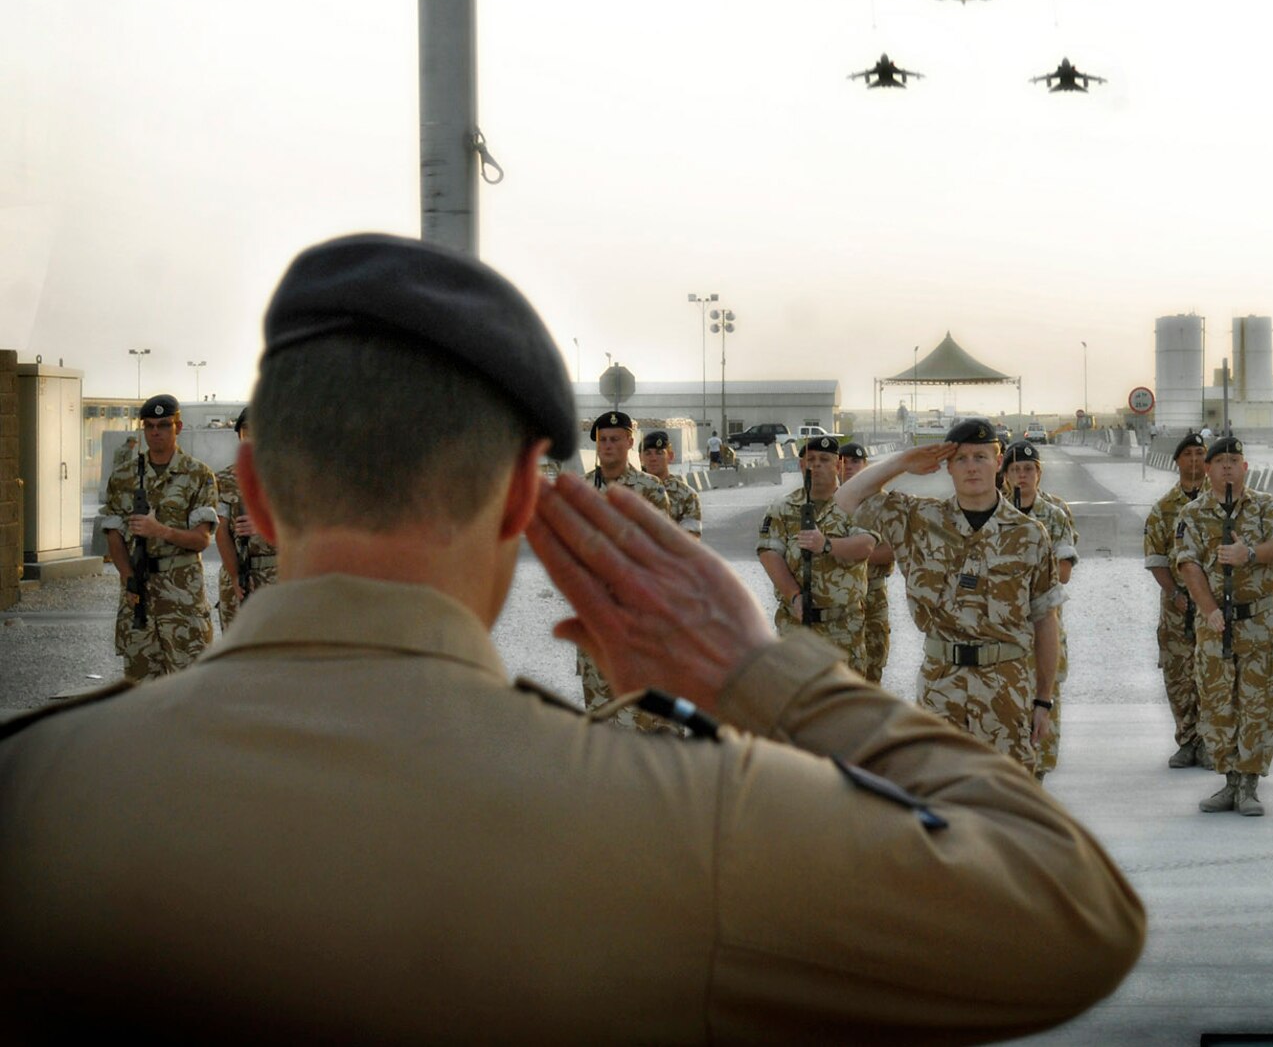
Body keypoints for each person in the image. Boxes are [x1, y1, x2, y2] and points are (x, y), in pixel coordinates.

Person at [0, 233, 1145, 1042]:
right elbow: (1068, 912)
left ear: (251, 494)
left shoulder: (36, 791)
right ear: (518, 500)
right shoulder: (681, 816)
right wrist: (765, 676)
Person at [834, 418, 1064, 775]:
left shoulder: (1030, 535)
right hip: (942, 684)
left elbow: (1045, 619)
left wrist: (1044, 700)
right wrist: (903, 462)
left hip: (1006, 684)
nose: (971, 467)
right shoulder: (920, 520)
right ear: (948, 467)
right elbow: (846, 496)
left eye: (981, 457)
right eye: (961, 459)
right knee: (940, 798)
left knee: (1009, 801)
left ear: (998, 461)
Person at [1175, 436, 1273, 816]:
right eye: (1219, 460)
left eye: (1234, 460)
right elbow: (1188, 564)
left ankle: (1249, 784)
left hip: (1258, 622)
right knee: (1217, 703)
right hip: (1216, 625)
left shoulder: (1266, 506)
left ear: (1245, 468)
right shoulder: (1192, 514)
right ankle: (1228, 781)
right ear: (1206, 469)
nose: (1227, 466)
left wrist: (1250, 554)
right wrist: (1208, 609)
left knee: (1259, 703)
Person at [98, 393, 218, 680]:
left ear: (178, 427)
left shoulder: (198, 475)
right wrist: (129, 580)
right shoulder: (124, 477)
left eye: (163, 425)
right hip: (138, 593)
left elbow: (202, 540)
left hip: (182, 596)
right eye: (149, 426)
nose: (155, 432)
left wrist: (160, 531)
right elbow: (114, 536)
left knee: (187, 683)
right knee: (140, 686)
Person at [758, 436, 877, 676]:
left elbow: (866, 545)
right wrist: (794, 596)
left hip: (844, 627)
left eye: (825, 459)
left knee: (844, 704)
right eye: (810, 460)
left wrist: (826, 545)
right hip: (797, 626)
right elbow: (769, 553)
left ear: (838, 465)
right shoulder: (783, 507)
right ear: (801, 466)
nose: (817, 465)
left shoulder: (855, 505)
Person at [578, 410, 672, 716]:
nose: (608, 446)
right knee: (600, 715)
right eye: (603, 440)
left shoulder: (651, 490)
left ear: (630, 442)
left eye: (615, 439)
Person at [1003, 441, 1079, 779]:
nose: (1022, 475)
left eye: (1029, 469)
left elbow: (1062, 573)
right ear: (1004, 475)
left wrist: (1019, 568)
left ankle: (1038, 779)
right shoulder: (991, 511)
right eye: (1015, 469)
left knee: (1044, 698)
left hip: (1042, 625)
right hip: (1002, 627)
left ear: (1039, 473)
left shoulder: (1054, 515)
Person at [1143, 432, 1208, 768]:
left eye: (1200, 453)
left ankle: (1212, 741)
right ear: (1178, 462)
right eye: (1188, 455)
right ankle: (1186, 739)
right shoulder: (1164, 509)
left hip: (1214, 608)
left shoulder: (1222, 502)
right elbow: (1155, 558)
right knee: (1179, 676)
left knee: (1213, 675)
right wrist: (1175, 593)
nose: (1195, 460)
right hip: (1177, 609)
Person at [215, 407, 279, 631]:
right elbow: (220, 531)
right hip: (239, 578)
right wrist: (234, 577)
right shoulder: (223, 480)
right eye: (246, 431)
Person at [838, 442, 896, 683]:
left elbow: (892, 549)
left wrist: (851, 551)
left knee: (873, 658)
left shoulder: (883, 504)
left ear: (866, 466)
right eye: (845, 461)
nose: (849, 467)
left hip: (872, 591)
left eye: (855, 461)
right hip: (838, 594)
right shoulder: (827, 501)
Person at [638, 429, 704, 539]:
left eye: (659, 453)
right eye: (648, 453)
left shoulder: (687, 495)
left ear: (670, 456)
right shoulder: (630, 491)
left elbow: (690, 540)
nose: (653, 458)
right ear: (640, 458)